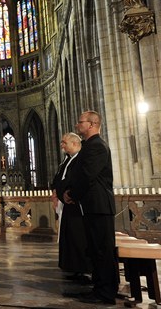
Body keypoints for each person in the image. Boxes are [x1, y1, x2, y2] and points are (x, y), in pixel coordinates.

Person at [64, 111, 118, 305]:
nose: (78, 125)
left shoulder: (96, 146)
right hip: (92, 205)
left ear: (92, 124)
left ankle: (106, 292)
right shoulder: (90, 146)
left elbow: (87, 175)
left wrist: (72, 194)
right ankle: (100, 287)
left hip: (99, 205)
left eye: (81, 122)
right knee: (96, 249)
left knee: (103, 250)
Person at [51, 133, 92, 281]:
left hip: (76, 204)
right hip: (67, 204)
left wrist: (70, 194)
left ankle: (82, 268)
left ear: (74, 143)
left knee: (78, 237)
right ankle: (72, 266)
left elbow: (78, 180)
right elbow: (59, 178)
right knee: (69, 236)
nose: (62, 145)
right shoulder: (67, 160)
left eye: (64, 143)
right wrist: (56, 191)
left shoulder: (80, 159)